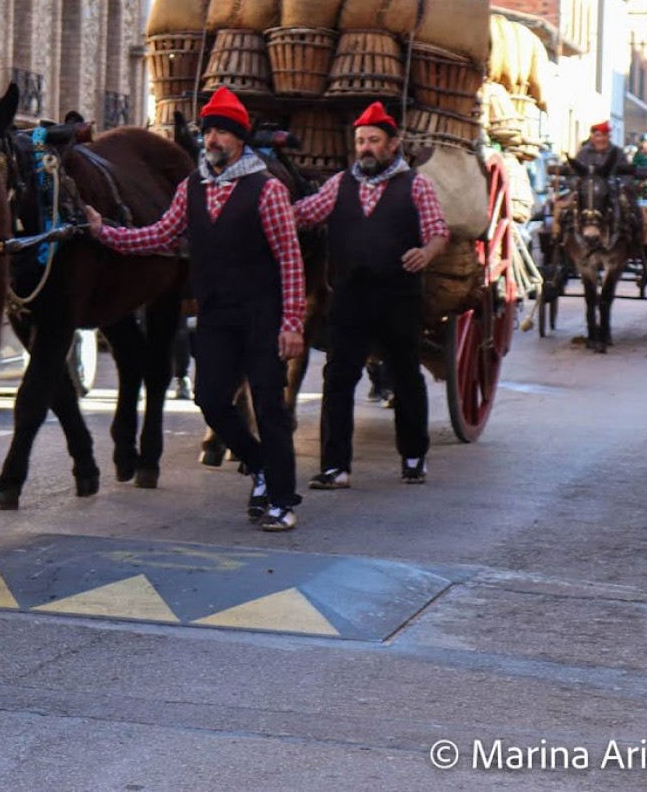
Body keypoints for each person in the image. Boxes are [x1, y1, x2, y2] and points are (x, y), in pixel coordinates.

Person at [84, 87, 306, 531]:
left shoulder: (267, 190)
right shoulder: (192, 187)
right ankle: (259, 465)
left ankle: (281, 499)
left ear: (240, 139)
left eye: (223, 132)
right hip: (217, 314)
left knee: (269, 405)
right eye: (208, 132)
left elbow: (290, 258)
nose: (213, 140)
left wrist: (293, 322)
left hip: (262, 312)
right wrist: (105, 233)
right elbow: (161, 235)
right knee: (209, 399)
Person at [291, 102, 449, 487]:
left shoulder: (416, 185)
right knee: (338, 376)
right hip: (350, 296)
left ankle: (413, 456)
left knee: (405, 375)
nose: (365, 147)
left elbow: (439, 232)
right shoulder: (338, 185)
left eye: (373, 140)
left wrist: (426, 252)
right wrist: (263, 208)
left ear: (393, 144)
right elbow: (303, 213)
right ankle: (335, 466)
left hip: (398, 295)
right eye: (360, 140)